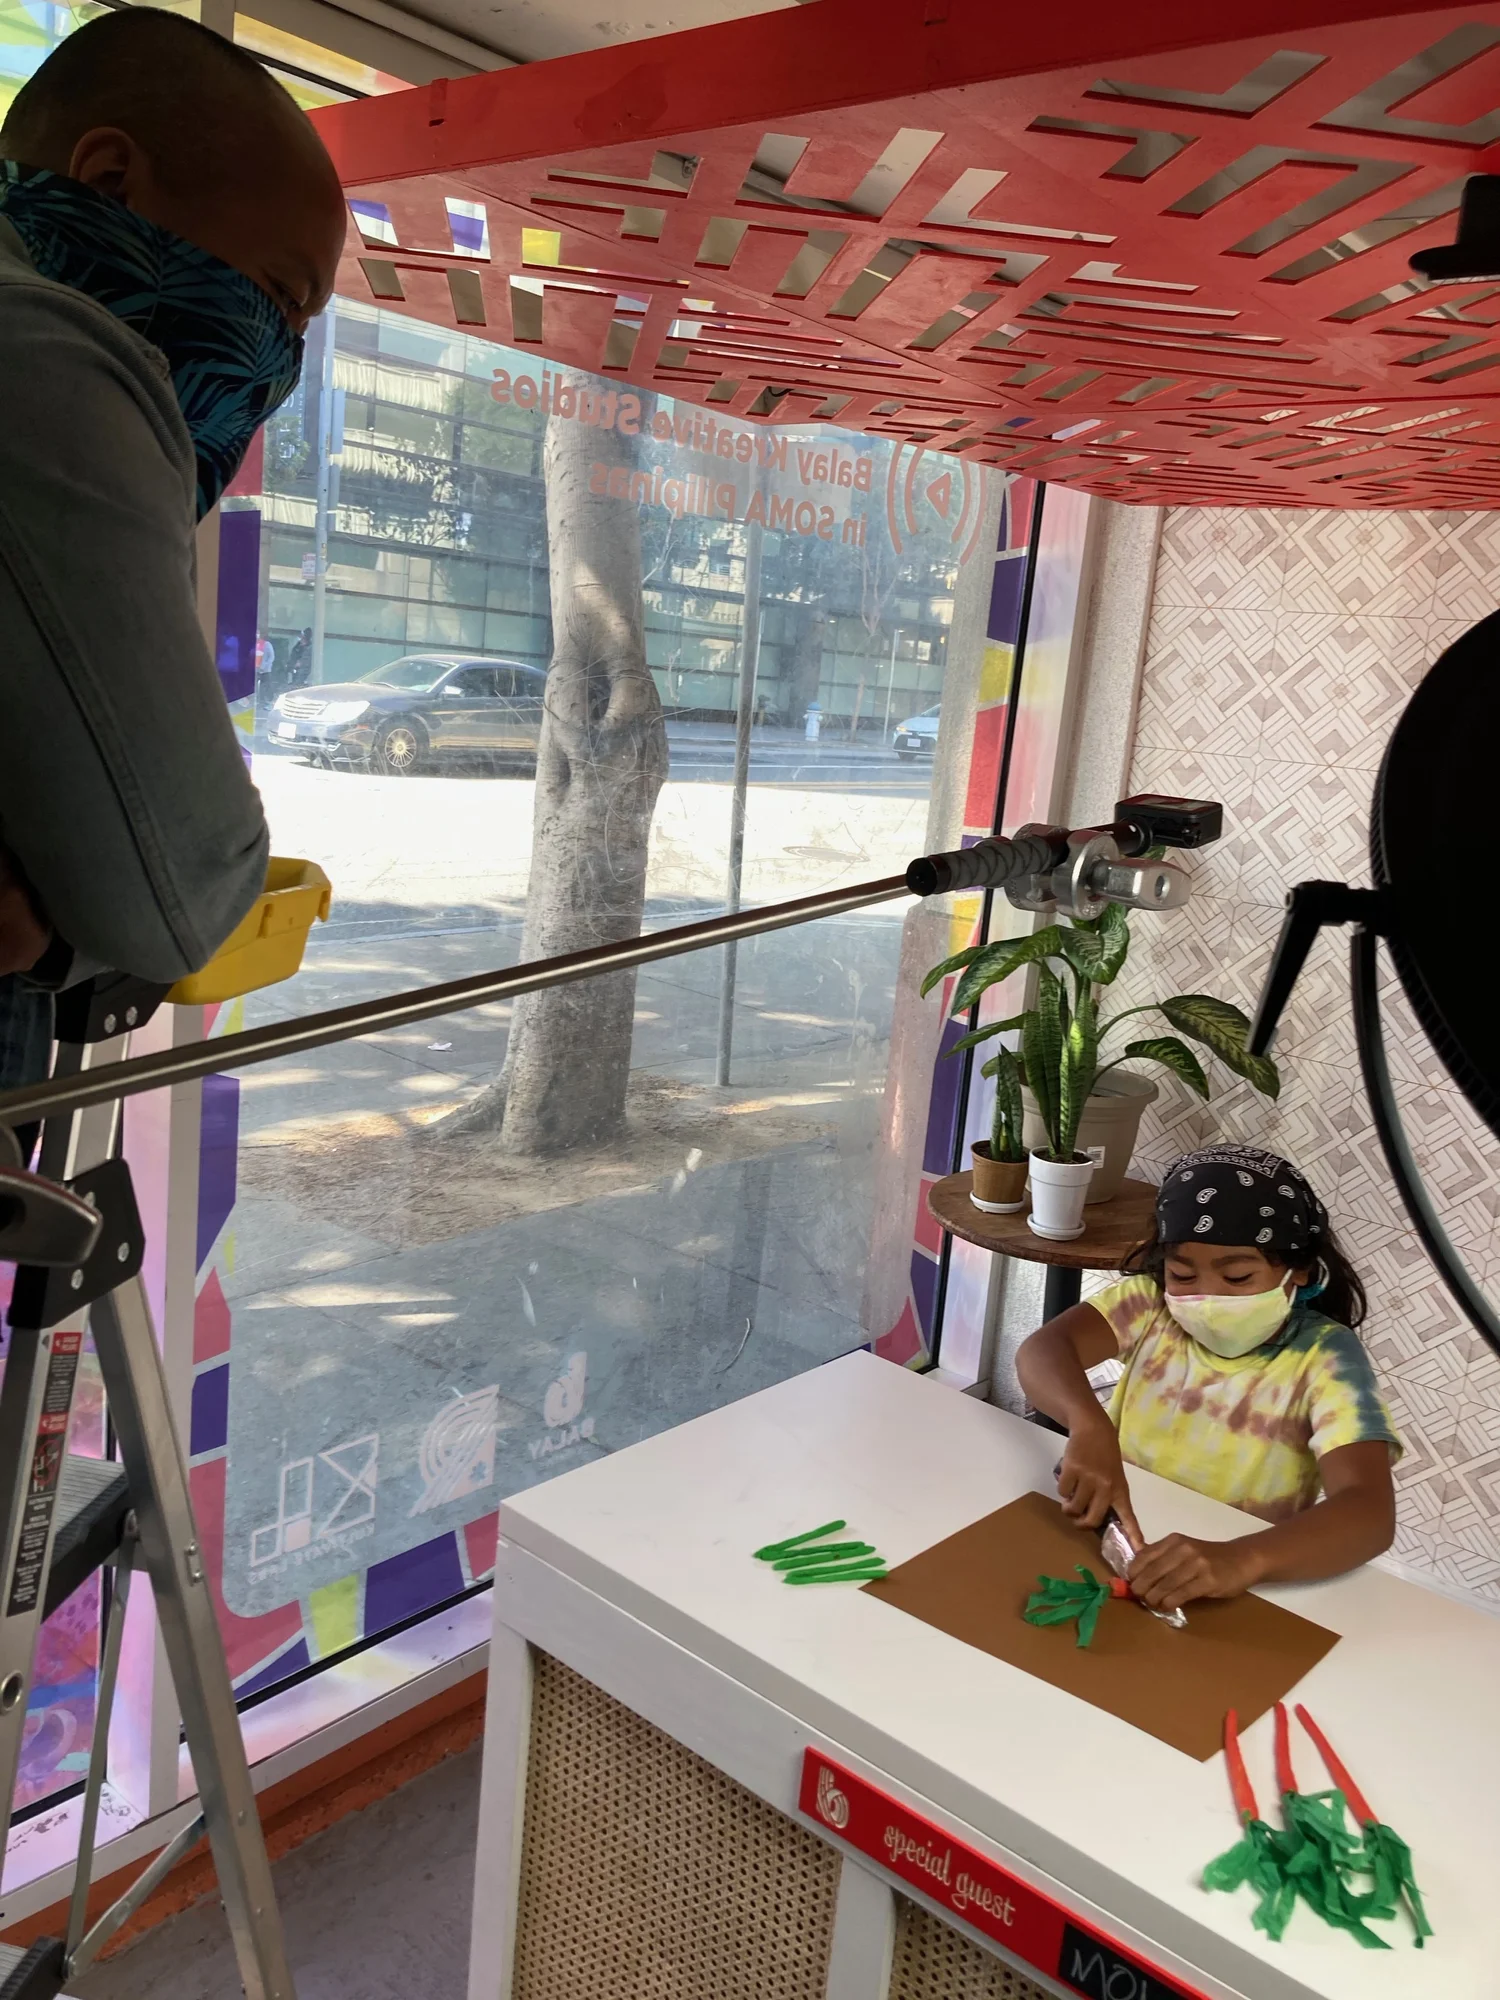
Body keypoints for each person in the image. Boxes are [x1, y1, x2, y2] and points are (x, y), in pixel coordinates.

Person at [0, 7, 347, 1093]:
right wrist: (66, 927)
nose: (276, 358)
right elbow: (185, 892)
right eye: (280, 296)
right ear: (107, 180)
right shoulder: (42, 359)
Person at [1016, 1144, 1399, 1616]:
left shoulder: (1324, 1357)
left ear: (1298, 1271)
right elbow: (1043, 1351)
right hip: (1119, 1544)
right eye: (1182, 1275)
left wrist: (1244, 1559)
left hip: (1241, 1578)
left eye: (1237, 1278)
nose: (1207, 1298)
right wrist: (1088, 1425)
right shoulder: (1150, 1304)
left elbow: (1369, 1513)